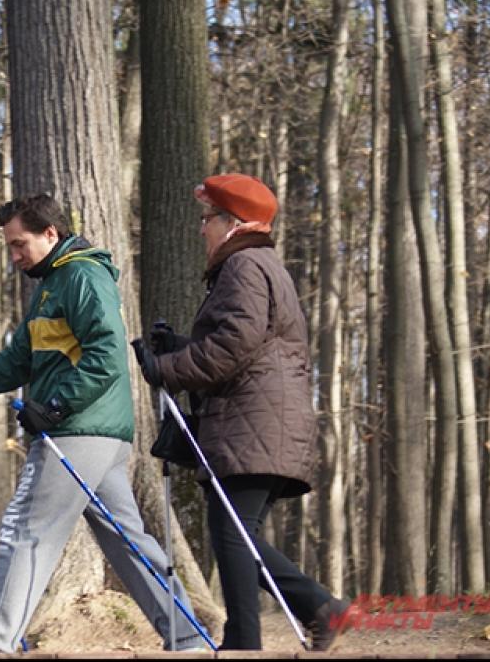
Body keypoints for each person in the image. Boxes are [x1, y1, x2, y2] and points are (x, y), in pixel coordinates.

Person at [0, 193, 205, 653]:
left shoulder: (83, 277)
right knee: (127, 541)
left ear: (51, 233)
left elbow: (107, 358)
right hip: (96, 433)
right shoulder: (51, 286)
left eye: (19, 244)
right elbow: (17, 362)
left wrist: (53, 407)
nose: (14, 256)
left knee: (26, 530)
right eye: (9, 246)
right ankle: (186, 636)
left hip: (78, 430)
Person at [131, 174, 350, 651]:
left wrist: (164, 368)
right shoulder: (260, 265)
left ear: (232, 223)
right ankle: (267, 627)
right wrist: (179, 348)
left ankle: (275, 627)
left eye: (207, 219)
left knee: (233, 537)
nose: (200, 229)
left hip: (254, 424)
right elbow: (250, 346)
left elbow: (235, 345)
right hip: (261, 421)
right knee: (236, 536)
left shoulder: (245, 266)